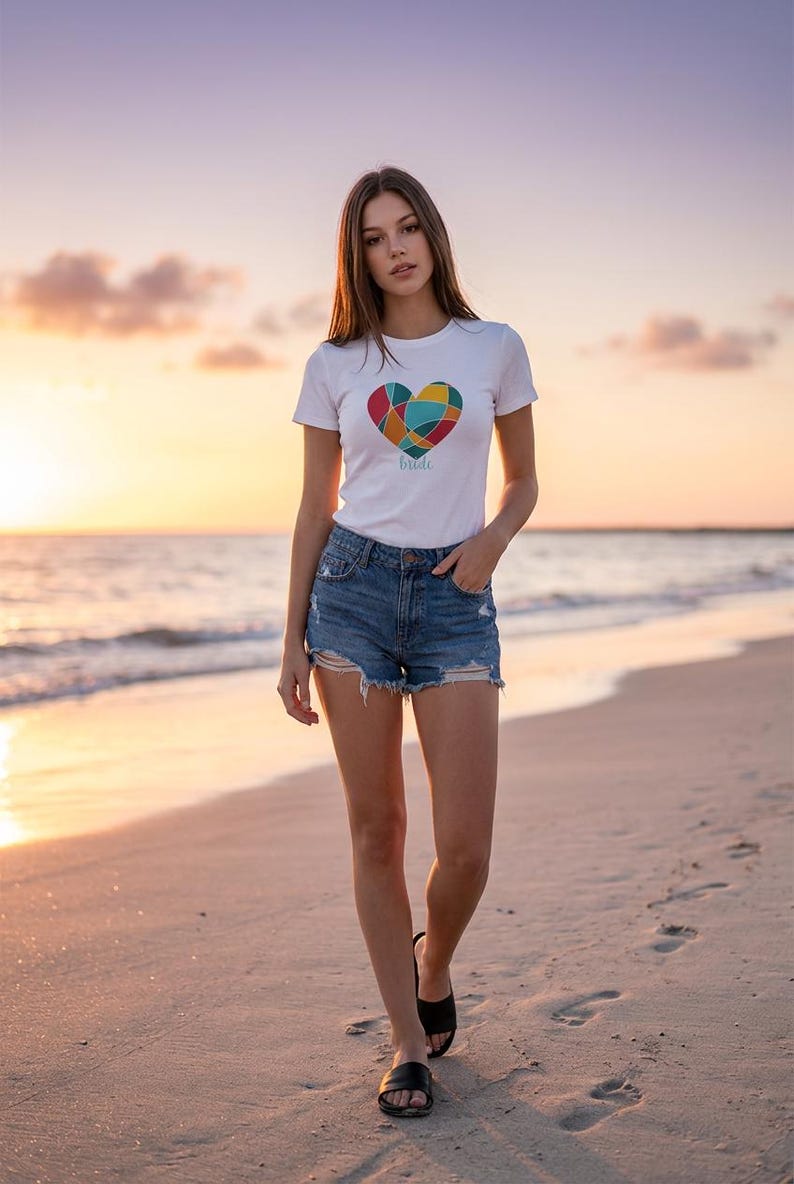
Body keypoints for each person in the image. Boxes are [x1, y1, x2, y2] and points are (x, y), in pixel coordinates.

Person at [277, 165, 539, 1118]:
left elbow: (524, 482)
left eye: (407, 229)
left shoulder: (493, 346)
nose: (395, 249)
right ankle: (404, 1042)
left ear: (433, 234)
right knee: (376, 829)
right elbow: (315, 506)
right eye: (374, 237)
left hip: (454, 598)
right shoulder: (335, 363)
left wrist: (491, 543)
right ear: (357, 256)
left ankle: (435, 966)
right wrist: (291, 637)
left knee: (464, 849)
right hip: (349, 593)